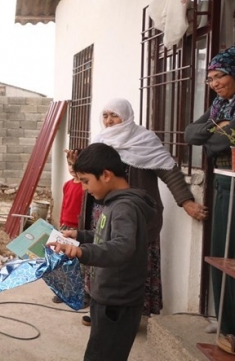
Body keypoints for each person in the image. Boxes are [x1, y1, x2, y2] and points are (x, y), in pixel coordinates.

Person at [80, 97, 207, 324]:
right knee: (105, 257)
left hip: (137, 215)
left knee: (137, 261)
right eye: (105, 116)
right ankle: (100, 306)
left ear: (126, 116)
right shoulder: (99, 141)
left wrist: (186, 202)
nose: (109, 121)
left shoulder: (144, 140)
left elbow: (169, 170)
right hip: (103, 212)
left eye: (114, 115)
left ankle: (135, 313)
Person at [48, 142, 156, 361]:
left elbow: (121, 247)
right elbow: (105, 235)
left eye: (86, 181)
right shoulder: (113, 203)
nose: (83, 187)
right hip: (107, 297)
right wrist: (79, 235)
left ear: (106, 175)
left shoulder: (125, 207)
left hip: (117, 302)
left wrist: (81, 252)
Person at [185, 44, 235, 335]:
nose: (214, 83)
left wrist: (215, 133)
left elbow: (216, 145)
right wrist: (220, 127)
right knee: (220, 251)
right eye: (211, 77)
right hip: (222, 185)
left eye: (220, 76)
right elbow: (190, 133)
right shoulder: (222, 105)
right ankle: (225, 319)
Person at [51, 148, 85, 305]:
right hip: (65, 228)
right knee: (63, 261)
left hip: (79, 230)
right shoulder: (67, 185)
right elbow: (64, 205)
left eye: (75, 164)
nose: (72, 168)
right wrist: (60, 223)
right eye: (70, 164)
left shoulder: (86, 188)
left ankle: (82, 294)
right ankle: (64, 291)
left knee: (79, 264)